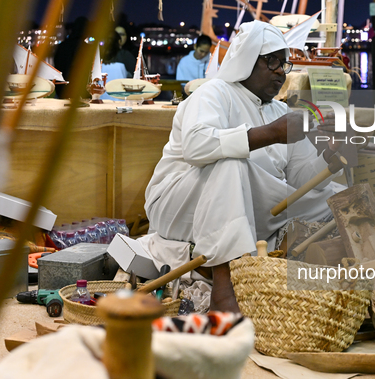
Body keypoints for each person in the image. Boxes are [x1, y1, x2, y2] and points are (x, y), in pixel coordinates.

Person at [145, 21, 342, 312]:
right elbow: (196, 146)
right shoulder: (214, 93)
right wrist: (270, 133)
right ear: (247, 58)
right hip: (179, 206)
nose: (279, 70)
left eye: (284, 63)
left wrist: (329, 160)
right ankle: (224, 291)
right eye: (272, 60)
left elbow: (300, 180)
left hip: (249, 207)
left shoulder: (280, 111)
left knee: (337, 197)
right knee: (230, 164)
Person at [99, 31, 130, 101]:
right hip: (121, 101)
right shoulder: (124, 55)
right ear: (119, 42)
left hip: (101, 100)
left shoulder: (97, 58)